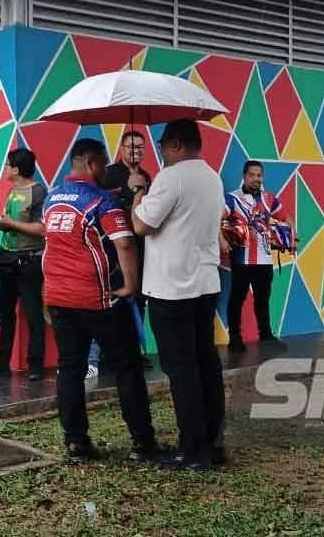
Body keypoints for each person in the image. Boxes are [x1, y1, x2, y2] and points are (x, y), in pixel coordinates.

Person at [42, 138, 163, 463]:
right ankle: (143, 442)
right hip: (100, 298)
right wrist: (131, 287)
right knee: (127, 367)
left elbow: (50, 241)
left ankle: (76, 443)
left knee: (70, 368)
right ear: (93, 163)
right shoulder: (102, 201)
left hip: (59, 297)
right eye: (102, 163)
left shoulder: (51, 199)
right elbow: (125, 244)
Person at [132, 119, 228, 471]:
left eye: (162, 146)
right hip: (204, 285)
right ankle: (213, 443)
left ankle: (193, 450)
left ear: (175, 144)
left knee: (181, 369)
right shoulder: (212, 177)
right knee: (206, 364)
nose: (160, 152)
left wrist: (136, 194)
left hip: (171, 288)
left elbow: (143, 224)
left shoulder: (171, 177)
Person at [0, 148, 47, 381]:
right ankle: (1, 362)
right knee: (4, 312)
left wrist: (13, 224)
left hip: (29, 261)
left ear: (17, 169)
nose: (5, 168)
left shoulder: (38, 192)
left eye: (7, 165)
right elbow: (10, 225)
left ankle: (35, 363)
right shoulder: (13, 191)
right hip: (8, 260)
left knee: (34, 313)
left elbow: (42, 229)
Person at [98, 130, 155, 372]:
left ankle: (135, 351)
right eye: (131, 146)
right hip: (114, 249)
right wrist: (130, 194)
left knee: (138, 301)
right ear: (121, 148)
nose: (136, 151)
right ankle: (109, 356)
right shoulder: (109, 175)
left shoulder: (147, 177)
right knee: (115, 301)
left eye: (141, 147)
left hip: (141, 249)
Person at [222, 160, 288, 351]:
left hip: (264, 259)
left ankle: (266, 335)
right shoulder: (232, 198)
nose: (256, 178)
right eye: (252, 175)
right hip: (242, 260)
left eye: (259, 175)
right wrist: (221, 240)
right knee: (237, 298)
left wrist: (290, 235)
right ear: (244, 176)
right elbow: (216, 217)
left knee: (263, 298)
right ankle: (234, 338)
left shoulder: (268, 199)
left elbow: (286, 217)